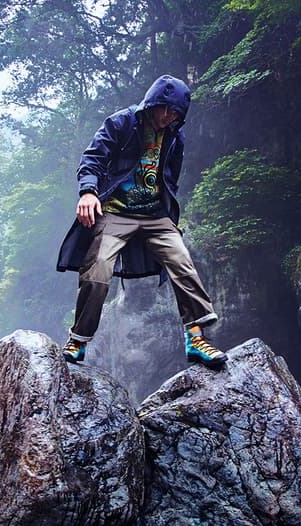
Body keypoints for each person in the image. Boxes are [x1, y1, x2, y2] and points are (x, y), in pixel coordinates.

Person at [56, 74, 226, 369]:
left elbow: (170, 175)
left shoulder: (175, 135)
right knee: (97, 270)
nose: (168, 117)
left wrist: (168, 211)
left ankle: (196, 339)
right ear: (154, 102)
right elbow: (93, 158)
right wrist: (88, 192)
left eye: (175, 113)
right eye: (166, 109)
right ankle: (78, 341)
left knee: (182, 263)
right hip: (116, 212)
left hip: (155, 215)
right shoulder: (122, 123)